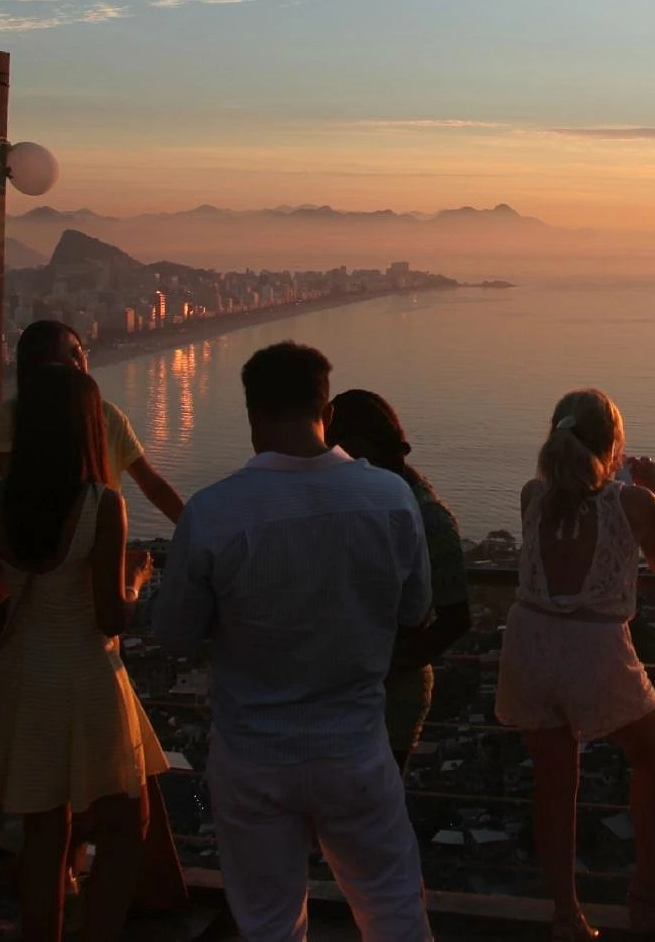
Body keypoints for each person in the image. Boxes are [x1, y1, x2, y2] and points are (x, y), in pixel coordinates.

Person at [152, 343, 432, 942]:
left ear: (253, 413)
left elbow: (174, 634)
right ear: (324, 410)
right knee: (394, 911)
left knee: (269, 924)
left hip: (253, 754)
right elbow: (416, 611)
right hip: (355, 745)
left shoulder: (214, 513)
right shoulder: (390, 499)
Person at [0, 364, 166, 942]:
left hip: (20, 674)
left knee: (46, 835)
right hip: (86, 678)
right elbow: (108, 617)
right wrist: (136, 580)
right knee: (126, 826)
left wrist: (22, 579)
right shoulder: (101, 504)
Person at [494, 389, 655, 941]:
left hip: (528, 643)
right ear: (613, 445)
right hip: (593, 648)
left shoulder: (533, 494)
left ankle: (567, 916)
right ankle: (646, 886)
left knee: (555, 784)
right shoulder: (631, 502)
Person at [326, 389, 471, 766]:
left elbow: (456, 619)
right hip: (341, 684)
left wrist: (381, 670)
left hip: (392, 694)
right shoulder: (353, 497)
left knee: (374, 808)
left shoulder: (428, 516)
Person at [0, 322, 184, 525]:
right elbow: (15, 489)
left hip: (103, 539)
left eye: (78, 353)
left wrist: (194, 528)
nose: (77, 363)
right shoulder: (12, 414)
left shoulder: (109, 416)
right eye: (64, 357)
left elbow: (152, 485)